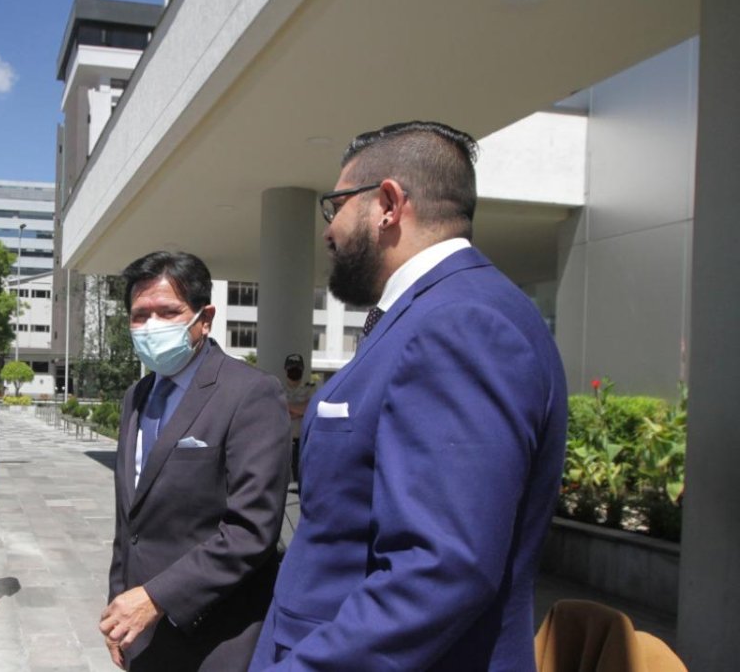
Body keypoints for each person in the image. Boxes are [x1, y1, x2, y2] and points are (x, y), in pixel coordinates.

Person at [249, 121, 567, 670]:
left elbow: (440, 569)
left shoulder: (461, 324)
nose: (328, 231)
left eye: (337, 206)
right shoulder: (431, 314)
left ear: (389, 204)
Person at [100, 251, 291, 671]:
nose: (151, 326)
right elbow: (129, 522)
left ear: (204, 318)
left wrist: (156, 598)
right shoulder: (138, 395)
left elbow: (251, 530)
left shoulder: (250, 393)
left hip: (216, 636)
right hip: (142, 629)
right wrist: (120, 607)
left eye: (168, 312)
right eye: (139, 315)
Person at [281, 353, 314, 483]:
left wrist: (287, 406)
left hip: (303, 440)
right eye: (291, 368)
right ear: (286, 370)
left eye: (297, 368)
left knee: (302, 474)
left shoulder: (311, 388)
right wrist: (300, 411)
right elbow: (276, 410)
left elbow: (310, 408)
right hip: (284, 440)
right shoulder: (278, 388)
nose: (294, 371)